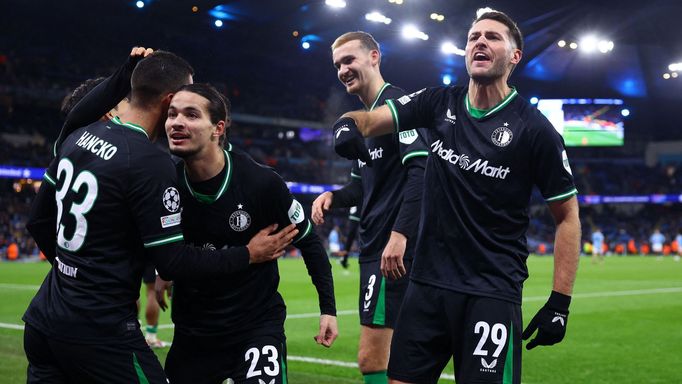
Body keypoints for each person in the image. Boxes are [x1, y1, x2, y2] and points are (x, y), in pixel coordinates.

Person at [331, 11, 581, 384]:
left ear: (515, 57)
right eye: (473, 37)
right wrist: (346, 125)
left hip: (491, 291)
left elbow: (568, 217)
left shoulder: (536, 131)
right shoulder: (437, 102)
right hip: (426, 286)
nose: (480, 42)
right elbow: (369, 120)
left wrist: (559, 303)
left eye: (493, 37)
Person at [23, 49, 297, 384]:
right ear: (169, 101)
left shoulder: (77, 138)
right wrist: (247, 255)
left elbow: (37, 221)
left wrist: (72, 271)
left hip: (43, 321)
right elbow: (172, 263)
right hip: (100, 329)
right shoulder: (149, 163)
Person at [156, 83, 337, 384]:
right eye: (172, 114)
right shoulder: (165, 184)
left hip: (255, 328)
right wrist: (164, 268)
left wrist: (328, 309)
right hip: (194, 332)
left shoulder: (261, 183)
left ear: (218, 128)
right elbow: (167, 256)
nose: (176, 122)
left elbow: (309, 241)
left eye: (191, 114)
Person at [312, 31, 428, 384]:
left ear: (374, 57)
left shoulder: (399, 106)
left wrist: (400, 234)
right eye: (337, 65)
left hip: (390, 250)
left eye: (350, 60)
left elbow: (421, 171)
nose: (343, 69)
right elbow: (362, 185)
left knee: (372, 359)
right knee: (400, 362)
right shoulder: (363, 121)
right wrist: (335, 196)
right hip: (375, 248)